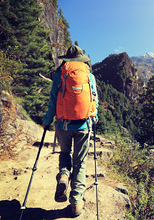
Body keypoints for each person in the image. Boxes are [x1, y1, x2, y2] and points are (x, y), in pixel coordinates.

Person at [42, 45, 98, 217]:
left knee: (65, 154)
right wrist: (94, 119)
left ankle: (64, 176)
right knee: (80, 163)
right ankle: (75, 203)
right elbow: (94, 100)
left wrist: (46, 121)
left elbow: (52, 101)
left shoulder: (59, 75)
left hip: (63, 125)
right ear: (82, 59)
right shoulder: (89, 75)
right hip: (83, 125)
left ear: (66, 59)